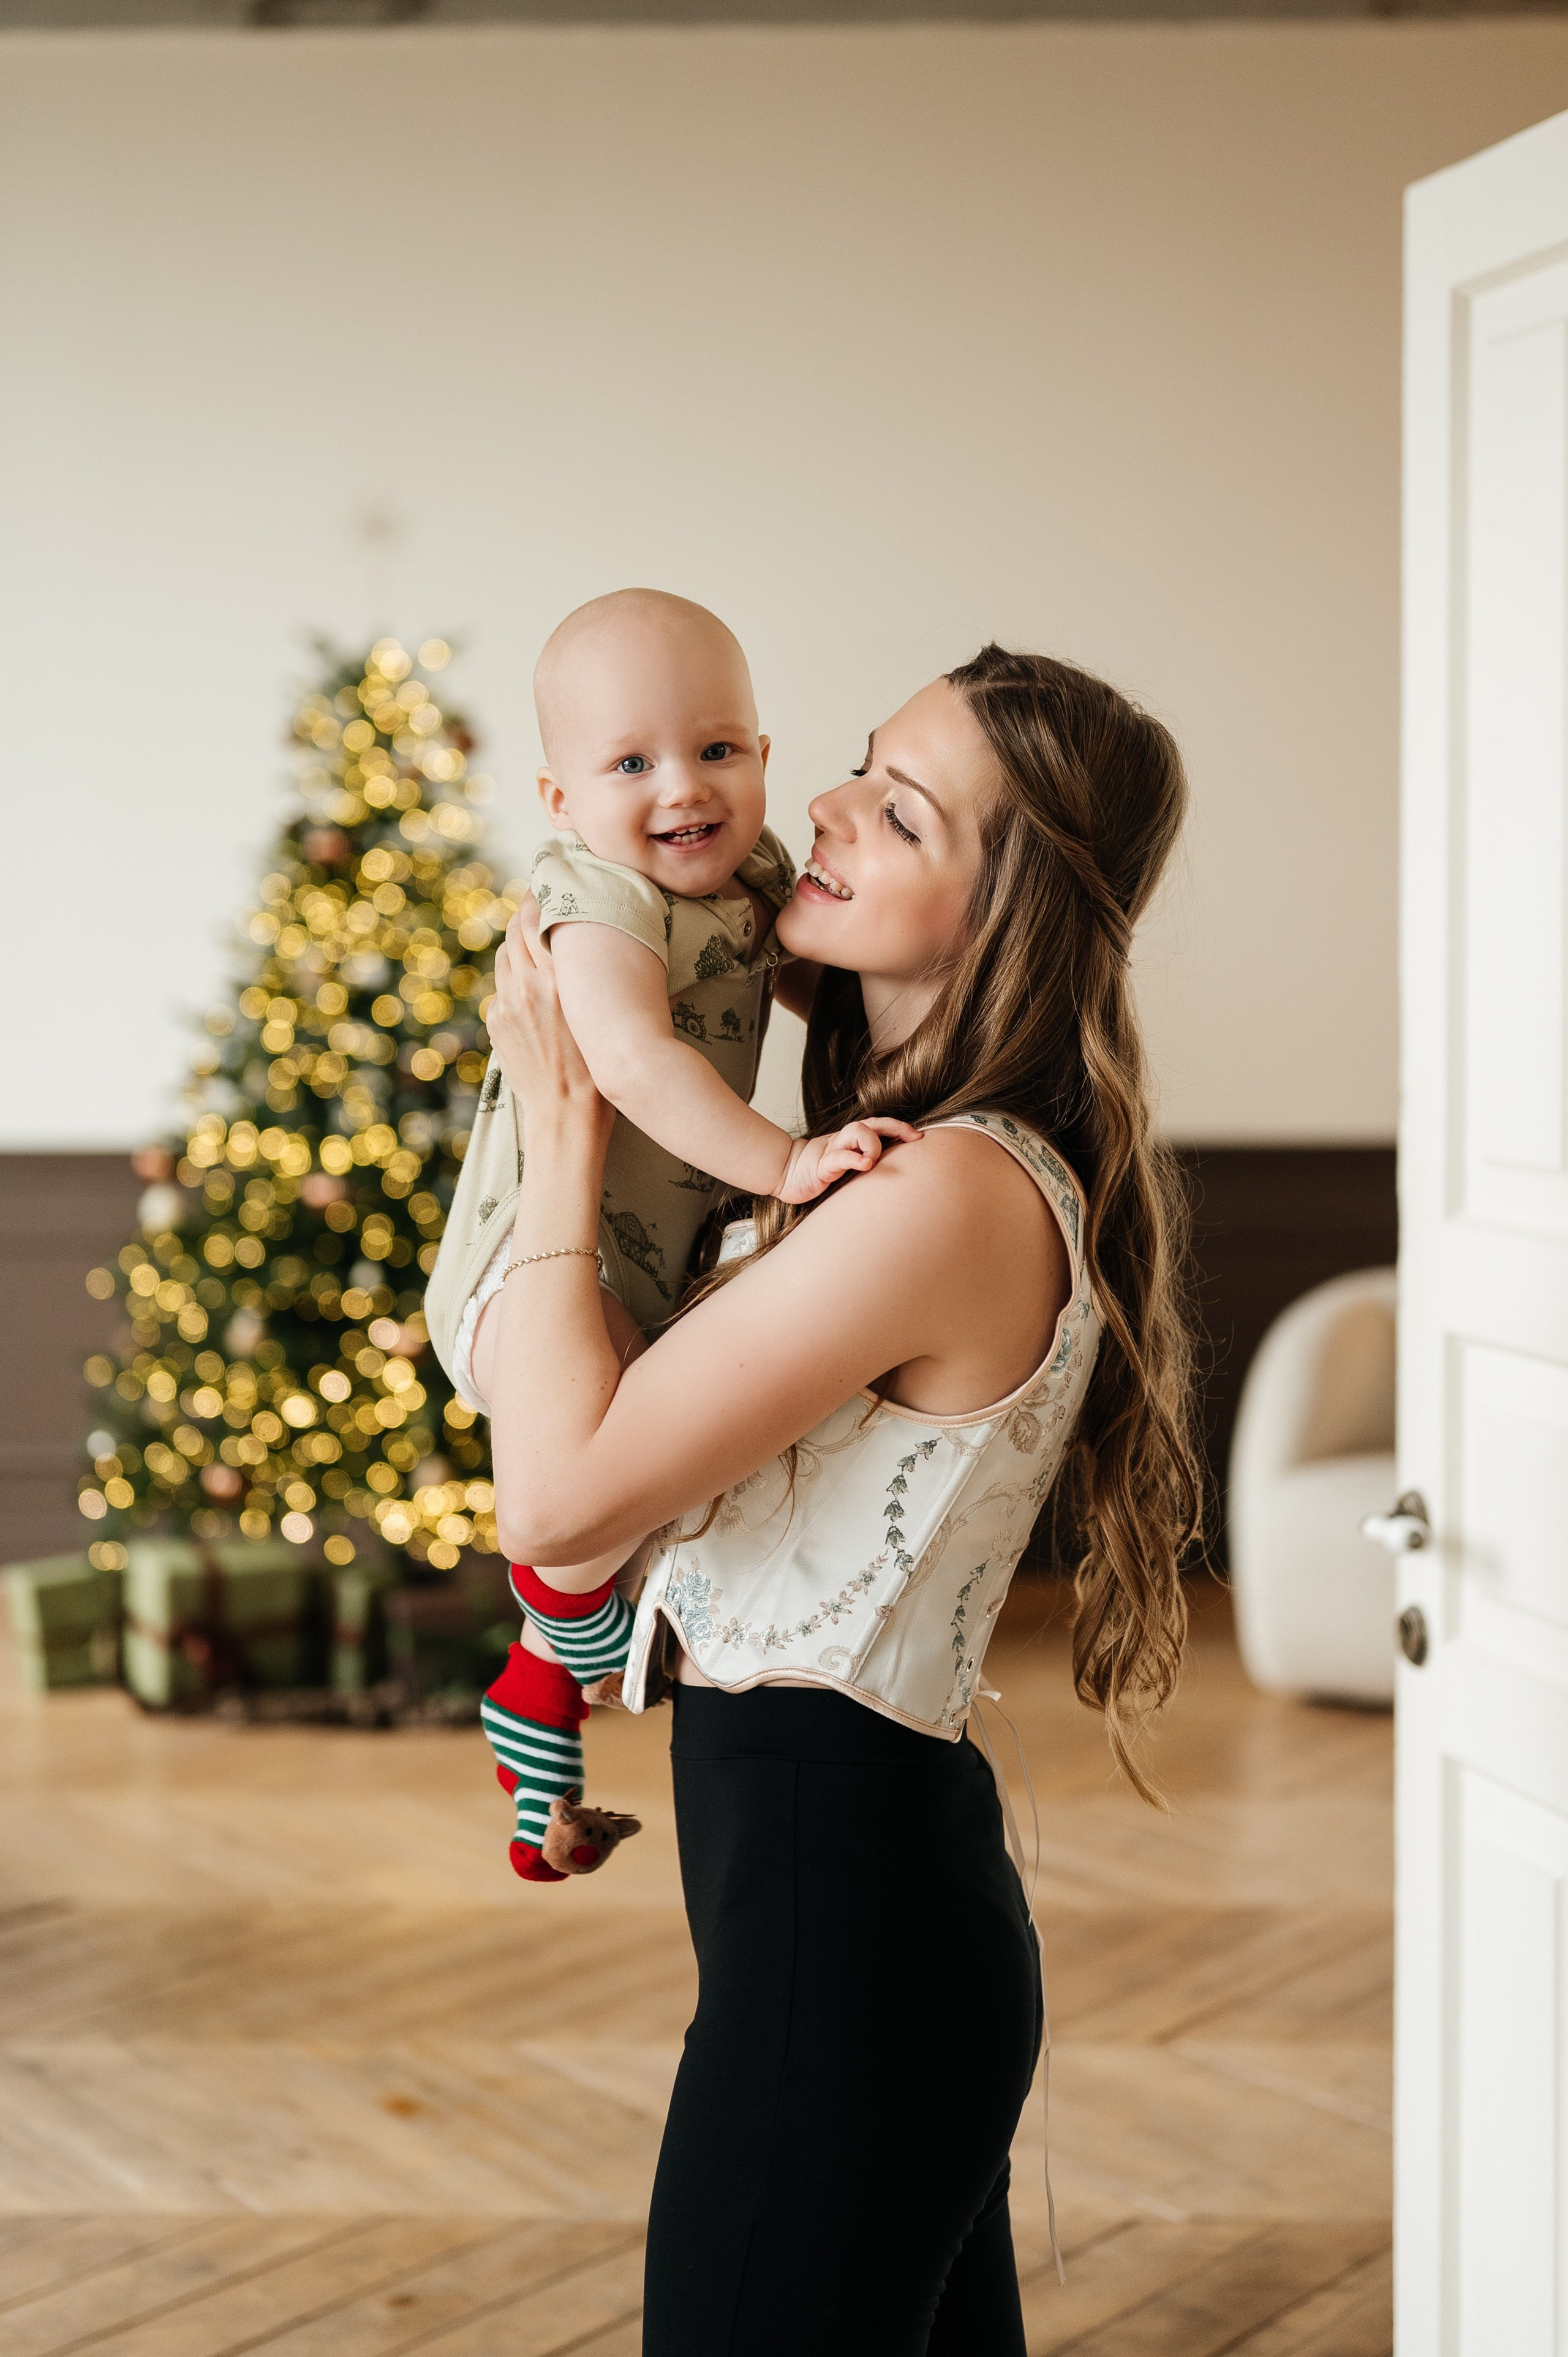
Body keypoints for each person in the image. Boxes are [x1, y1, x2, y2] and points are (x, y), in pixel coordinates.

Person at [480, 644, 1202, 2355]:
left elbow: (558, 1504)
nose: (818, 809)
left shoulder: (941, 1191)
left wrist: (561, 1134)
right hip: (843, 1916)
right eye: (858, 766)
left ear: (1005, 909)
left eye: (898, 810)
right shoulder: (892, 1142)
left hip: (852, 1938)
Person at [426, 588, 911, 1879]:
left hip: (640, 1264)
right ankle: (561, 1658)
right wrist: (790, 1158)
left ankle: (539, 1712)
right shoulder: (592, 899)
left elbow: (808, 979)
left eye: (714, 749)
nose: (679, 788)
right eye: (628, 762)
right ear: (558, 797)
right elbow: (633, 1064)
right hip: (527, 1276)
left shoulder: (750, 877)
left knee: (640, 1495)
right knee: (600, 1496)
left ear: (761, 753)